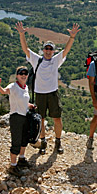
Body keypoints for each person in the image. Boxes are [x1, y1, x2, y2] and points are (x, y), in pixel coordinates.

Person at [16, 21, 81, 154]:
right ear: (43, 50)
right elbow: (25, 49)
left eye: (51, 49)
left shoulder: (56, 60)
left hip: (52, 93)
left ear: (53, 51)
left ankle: (58, 142)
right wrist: (22, 35)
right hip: (40, 94)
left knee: (57, 118)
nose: (48, 51)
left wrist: (72, 37)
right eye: (46, 48)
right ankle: (43, 142)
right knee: (41, 119)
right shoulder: (36, 59)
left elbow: (67, 49)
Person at [0, 67, 34, 177]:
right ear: (17, 75)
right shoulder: (13, 86)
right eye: (21, 74)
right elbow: (4, 91)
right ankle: (13, 166)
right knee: (16, 141)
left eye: (25, 73)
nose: (23, 75)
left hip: (25, 116)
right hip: (16, 117)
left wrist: (30, 105)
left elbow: (24, 101)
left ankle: (22, 159)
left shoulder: (25, 87)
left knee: (24, 138)